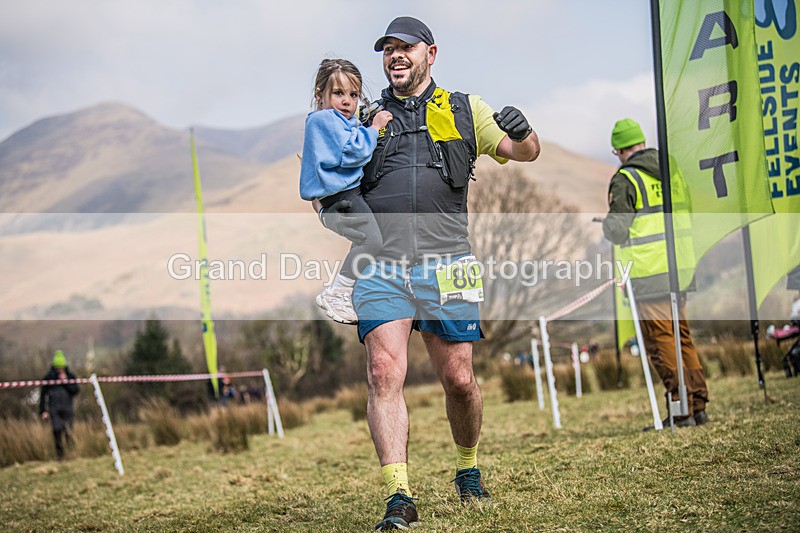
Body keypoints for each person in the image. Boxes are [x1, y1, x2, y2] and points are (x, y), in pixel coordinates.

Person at [315, 17, 540, 530]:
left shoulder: (465, 109)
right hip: (381, 265)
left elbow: (523, 152)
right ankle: (399, 497)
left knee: (459, 379)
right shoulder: (365, 116)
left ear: (430, 53)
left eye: (405, 48)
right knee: (382, 374)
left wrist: (525, 131)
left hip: (450, 262)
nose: (395, 56)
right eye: (387, 50)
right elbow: (326, 175)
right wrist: (332, 209)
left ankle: (467, 470)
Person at [602, 118, 709, 430]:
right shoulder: (673, 170)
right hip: (681, 267)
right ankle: (698, 404)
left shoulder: (626, 179)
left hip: (650, 272)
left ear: (620, 149)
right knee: (682, 337)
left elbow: (619, 230)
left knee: (661, 340)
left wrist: (608, 224)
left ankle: (681, 409)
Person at [300, 58, 394, 324]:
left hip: (337, 198)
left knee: (365, 239)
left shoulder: (327, 122)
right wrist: (375, 128)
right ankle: (339, 291)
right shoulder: (325, 120)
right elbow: (353, 152)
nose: (347, 101)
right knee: (373, 241)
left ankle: (344, 291)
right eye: (339, 93)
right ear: (320, 95)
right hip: (344, 196)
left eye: (353, 95)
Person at [39, 350, 80, 460]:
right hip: (54, 409)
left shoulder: (70, 376)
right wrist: (43, 411)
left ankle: (71, 454)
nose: (60, 370)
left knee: (68, 431)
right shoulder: (49, 378)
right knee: (57, 431)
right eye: (58, 368)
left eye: (61, 368)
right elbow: (42, 396)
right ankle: (60, 455)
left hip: (68, 409)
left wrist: (65, 381)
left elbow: (75, 391)